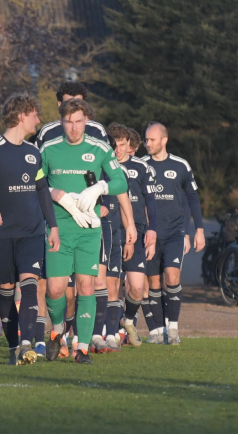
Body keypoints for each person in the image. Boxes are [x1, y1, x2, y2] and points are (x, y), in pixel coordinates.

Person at [40, 98, 129, 364]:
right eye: (69, 122)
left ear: (86, 121)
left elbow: (120, 181)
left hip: (89, 229)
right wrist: (55, 193)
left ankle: (82, 348)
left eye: (79, 121)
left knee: (86, 286)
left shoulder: (100, 148)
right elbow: (36, 183)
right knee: (56, 290)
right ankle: (57, 332)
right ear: (62, 122)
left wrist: (100, 187)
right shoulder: (49, 148)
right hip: (58, 228)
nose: (74, 127)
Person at [0, 95, 60, 364]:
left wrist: (53, 226)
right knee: (6, 290)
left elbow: (42, 191)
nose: (38, 119)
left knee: (30, 285)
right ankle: (14, 345)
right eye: (35, 114)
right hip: (2, 234)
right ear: (22, 116)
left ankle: (27, 344)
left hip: (32, 232)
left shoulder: (33, 152)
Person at [141, 122, 205, 345]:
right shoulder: (141, 166)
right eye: (146, 140)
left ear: (164, 140)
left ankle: (174, 329)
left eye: (151, 139)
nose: (147, 143)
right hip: (150, 236)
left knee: (172, 276)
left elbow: (193, 198)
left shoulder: (181, 165)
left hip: (175, 232)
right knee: (154, 282)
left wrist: (198, 230)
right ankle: (158, 331)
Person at [109, 124, 157, 347]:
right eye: (115, 145)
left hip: (135, 232)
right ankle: (110, 333)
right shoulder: (103, 166)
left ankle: (127, 320)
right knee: (112, 286)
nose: (118, 150)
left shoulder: (141, 167)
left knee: (137, 287)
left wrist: (152, 231)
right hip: (110, 231)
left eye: (122, 145)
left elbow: (151, 202)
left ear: (130, 145)